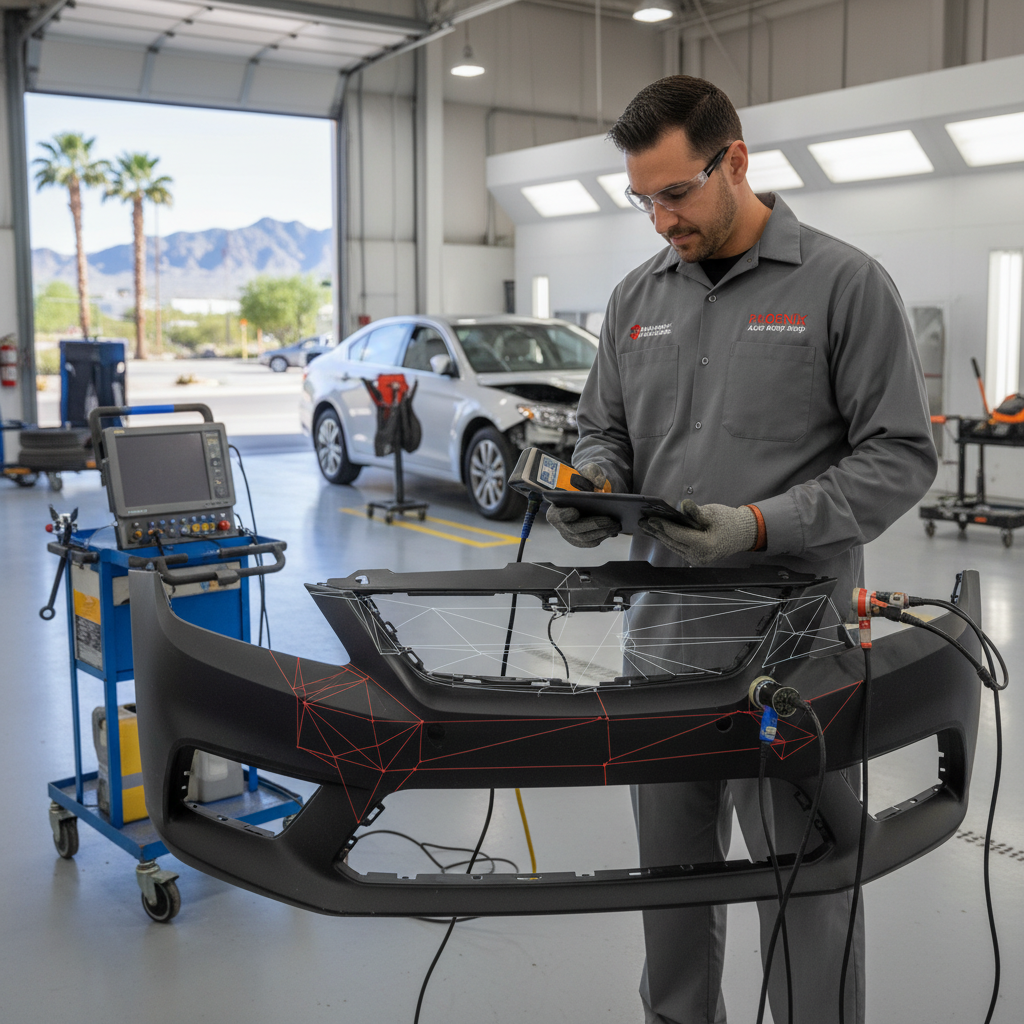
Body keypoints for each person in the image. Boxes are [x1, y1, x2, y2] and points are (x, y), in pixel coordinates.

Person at [546, 76, 937, 1024]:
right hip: (664, 650)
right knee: (670, 890)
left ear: (736, 161)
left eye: (675, 193)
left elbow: (901, 456)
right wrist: (591, 487)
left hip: (796, 653)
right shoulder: (635, 298)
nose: (660, 220)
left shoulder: (845, 284)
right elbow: (602, 431)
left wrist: (761, 526)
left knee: (806, 885)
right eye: (643, 199)